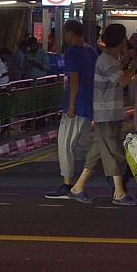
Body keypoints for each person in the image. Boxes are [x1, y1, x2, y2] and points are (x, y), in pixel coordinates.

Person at [69, 23, 137, 206]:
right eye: (124, 38)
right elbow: (122, 81)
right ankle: (119, 192)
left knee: (97, 153)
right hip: (106, 114)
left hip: (111, 113)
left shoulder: (111, 59)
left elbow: (118, 75)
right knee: (113, 152)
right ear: (120, 40)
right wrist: (133, 66)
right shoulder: (106, 60)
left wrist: (125, 60)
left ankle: (78, 187)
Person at [46, 20, 95, 199]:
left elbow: (74, 79)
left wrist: (71, 105)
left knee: (65, 145)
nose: (64, 37)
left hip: (76, 104)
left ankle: (67, 184)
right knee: (82, 146)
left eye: (65, 33)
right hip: (88, 104)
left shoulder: (72, 52)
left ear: (71, 33)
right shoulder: (91, 51)